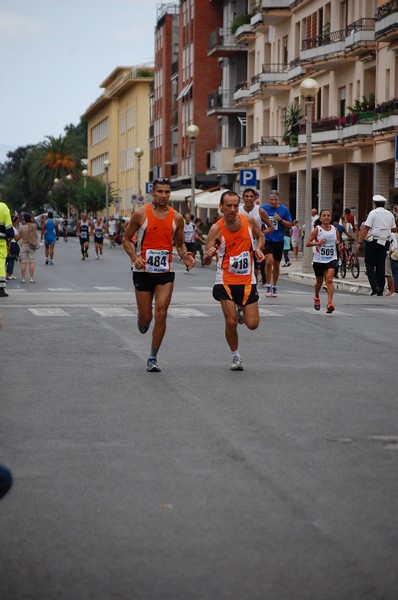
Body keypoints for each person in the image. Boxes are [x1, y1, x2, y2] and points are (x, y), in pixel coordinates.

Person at [122, 177, 195, 372]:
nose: (164, 196)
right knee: (146, 319)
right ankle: (142, 319)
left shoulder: (176, 218)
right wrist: (134, 258)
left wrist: (185, 255)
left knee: (161, 313)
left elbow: (179, 244)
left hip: (165, 271)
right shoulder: (140, 214)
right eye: (160, 192)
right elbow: (126, 239)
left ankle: (153, 357)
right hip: (143, 270)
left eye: (167, 192)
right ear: (153, 193)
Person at [204, 190, 265, 371]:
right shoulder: (216, 229)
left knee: (252, 324)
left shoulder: (249, 221)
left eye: (234, 206)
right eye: (228, 206)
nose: (231, 209)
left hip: (247, 279)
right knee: (231, 322)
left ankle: (241, 307)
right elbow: (207, 261)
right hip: (225, 280)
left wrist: (258, 249)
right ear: (221, 207)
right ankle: (235, 356)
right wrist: (208, 255)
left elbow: (260, 235)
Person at [355, 195, 397, 296]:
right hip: (385, 241)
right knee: (380, 265)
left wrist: (359, 242)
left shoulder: (373, 213)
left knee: (369, 264)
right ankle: (381, 288)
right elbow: (394, 229)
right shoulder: (390, 214)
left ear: (375, 204)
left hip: (373, 241)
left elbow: (366, 228)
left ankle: (375, 287)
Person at [306, 209, 343, 314]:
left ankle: (329, 303)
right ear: (320, 218)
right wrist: (318, 243)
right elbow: (307, 243)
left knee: (330, 280)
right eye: (324, 215)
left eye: (328, 215)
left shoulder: (334, 229)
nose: (326, 217)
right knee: (319, 282)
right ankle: (317, 296)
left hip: (331, 258)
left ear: (330, 218)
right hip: (319, 260)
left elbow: (338, 242)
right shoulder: (317, 230)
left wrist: (340, 246)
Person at [261, 190, 292, 297]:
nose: (273, 202)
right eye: (271, 200)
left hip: (279, 239)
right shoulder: (263, 209)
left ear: (279, 200)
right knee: (268, 261)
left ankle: (274, 286)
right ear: (268, 200)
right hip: (267, 239)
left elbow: (290, 224)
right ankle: (268, 284)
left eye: (275, 200)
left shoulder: (284, 210)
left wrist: (280, 220)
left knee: (277, 264)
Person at [238, 188, 273, 285]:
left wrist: (261, 234)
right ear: (243, 198)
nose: (249, 198)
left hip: (256, 244)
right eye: (247, 196)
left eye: (251, 196)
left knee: (255, 270)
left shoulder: (260, 211)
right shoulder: (238, 210)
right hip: (241, 244)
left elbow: (271, 227)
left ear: (255, 198)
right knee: (243, 269)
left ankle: (254, 289)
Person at [17, 213, 38, 283]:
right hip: (32, 246)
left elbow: (18, 237)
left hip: (24, 245)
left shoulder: (21, 227)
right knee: (31, 261)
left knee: (23, 262)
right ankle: (31, 278)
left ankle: (23, 278)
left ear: (24, 219)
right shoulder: (34, 226)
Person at [0, 198, 14, 297]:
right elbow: (9, 227)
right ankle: (0, 288)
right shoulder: (3, 207)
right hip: (1, 241)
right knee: (1, 262)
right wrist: (9, 238)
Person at [6, 215, 20, 280]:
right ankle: (9, 274)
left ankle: (8, 274)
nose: (18, 222)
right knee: (11, 259)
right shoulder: (13, 229)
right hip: (12, 244)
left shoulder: (10, 227)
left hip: (9, 244)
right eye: (17, 220)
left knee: (7, 260)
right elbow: (16, 238)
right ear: (15, 221)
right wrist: (21, 235)